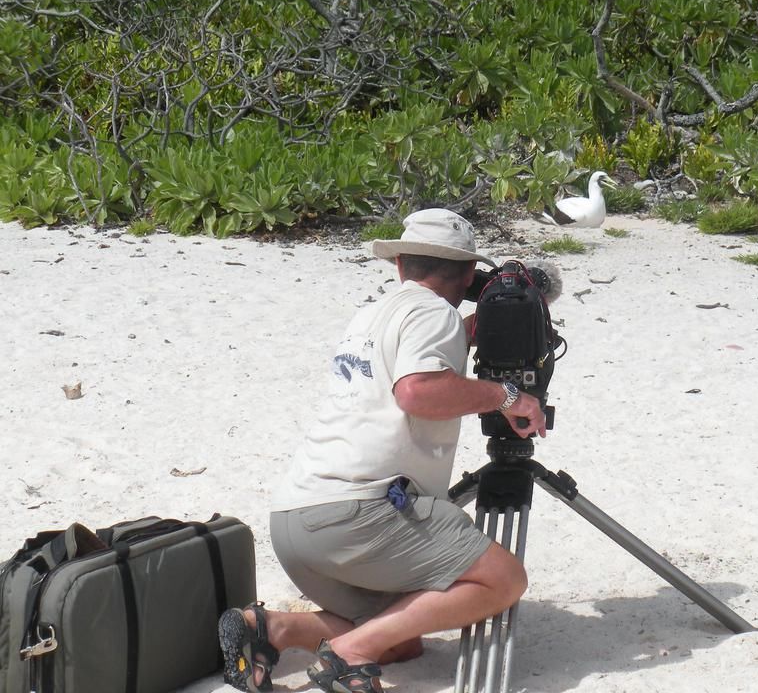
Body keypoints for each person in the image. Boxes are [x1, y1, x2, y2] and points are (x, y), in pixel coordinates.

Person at [218, 208, 547, 693]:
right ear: (467, 274)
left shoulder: (374, 313)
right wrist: (507, 395)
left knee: (401, 640)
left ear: (399, 266)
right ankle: (351, 653)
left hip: (296, 524)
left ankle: (273, 629)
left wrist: (483, 327)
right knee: (504, 580)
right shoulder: (436, 313)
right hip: (357, 514)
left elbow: (419, 356)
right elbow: (417, 390)